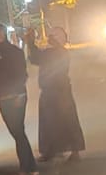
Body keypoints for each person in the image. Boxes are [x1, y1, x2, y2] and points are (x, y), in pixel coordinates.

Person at [0, 24, 39, 175]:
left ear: (1, 34)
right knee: (19, 134)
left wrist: (18, 95)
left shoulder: (12, 52)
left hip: (14, 98)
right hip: (5, 98)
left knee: (18, 133)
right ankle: (32, 168)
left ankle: (25, 170)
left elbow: (21, 75)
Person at [28, 26, 86, 162]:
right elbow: (36, 58)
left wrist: (31, 42)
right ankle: (56, 150)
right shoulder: (58, 52)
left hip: (57, 91)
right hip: (57, 91)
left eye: (51, 37)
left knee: (63, 121)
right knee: (55, 121)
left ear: (57, 39)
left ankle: (61, 150)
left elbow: (36, 58)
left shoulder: (56, 53)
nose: (48, 39)